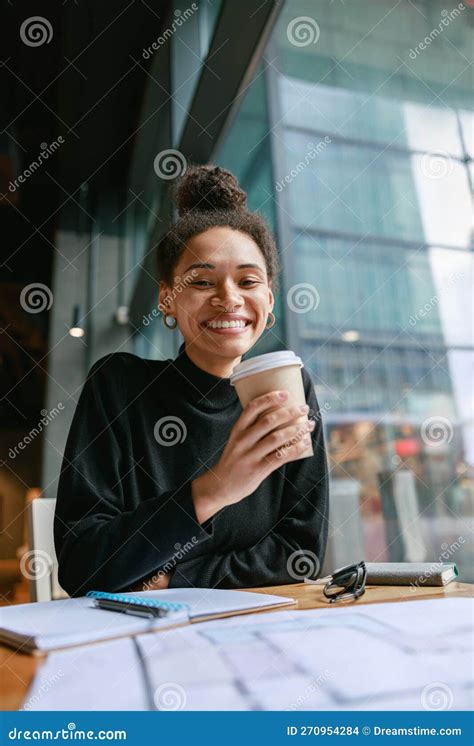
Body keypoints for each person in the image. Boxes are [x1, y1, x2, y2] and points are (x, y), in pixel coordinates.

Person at [54, 164, 329, 596]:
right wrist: (215, 488)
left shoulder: (291, 388)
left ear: (269, 299)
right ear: (167, 297)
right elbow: (82, 564)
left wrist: (176, 578)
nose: (229, 298)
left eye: (248, 280)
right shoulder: (121, 385)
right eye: (202, 281)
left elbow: (301, 553)